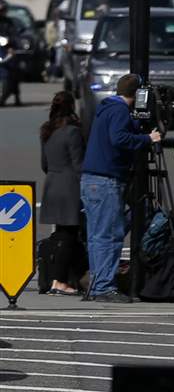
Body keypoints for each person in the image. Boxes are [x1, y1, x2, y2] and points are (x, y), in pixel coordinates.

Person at [81, 73, 162, 302]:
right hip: (106, 180)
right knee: (110, 236)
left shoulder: (106, 108)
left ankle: (97, 285)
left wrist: (135, 126)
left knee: (97, 236)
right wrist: (147, 138)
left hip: (91, 179)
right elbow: (119, 138)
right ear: (137, 95)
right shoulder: (119, 111)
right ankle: (104, 287)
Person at [40, 91, 85, 295]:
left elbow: (44, 163)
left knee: (60, 233)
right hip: (69, 186)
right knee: (69, 235)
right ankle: (59, 280)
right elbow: (78, 165)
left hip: (52, 184)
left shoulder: (47, 130)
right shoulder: (73, 132)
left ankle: (58, 278)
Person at [0, 0, 21, 106]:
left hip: (5, 49)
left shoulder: (9, 22)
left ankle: (14, 96)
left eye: (3, 10)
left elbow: (15, 36)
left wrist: (11, 45)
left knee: (12, 69)